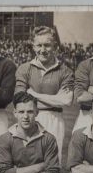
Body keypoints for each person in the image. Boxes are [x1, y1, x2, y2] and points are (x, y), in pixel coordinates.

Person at [15, 26, 74, 162]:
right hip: (28, 117)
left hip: (55, 119)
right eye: (39, 45)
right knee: (28, 161)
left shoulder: (65, 71)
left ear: (54, 45)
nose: (43, 50)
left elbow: (66, 101)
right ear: (33, 47)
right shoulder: (24, 69)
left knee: (52, 163)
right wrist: (55, 98)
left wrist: (34, 95)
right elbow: (19, 99)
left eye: (47, 45)